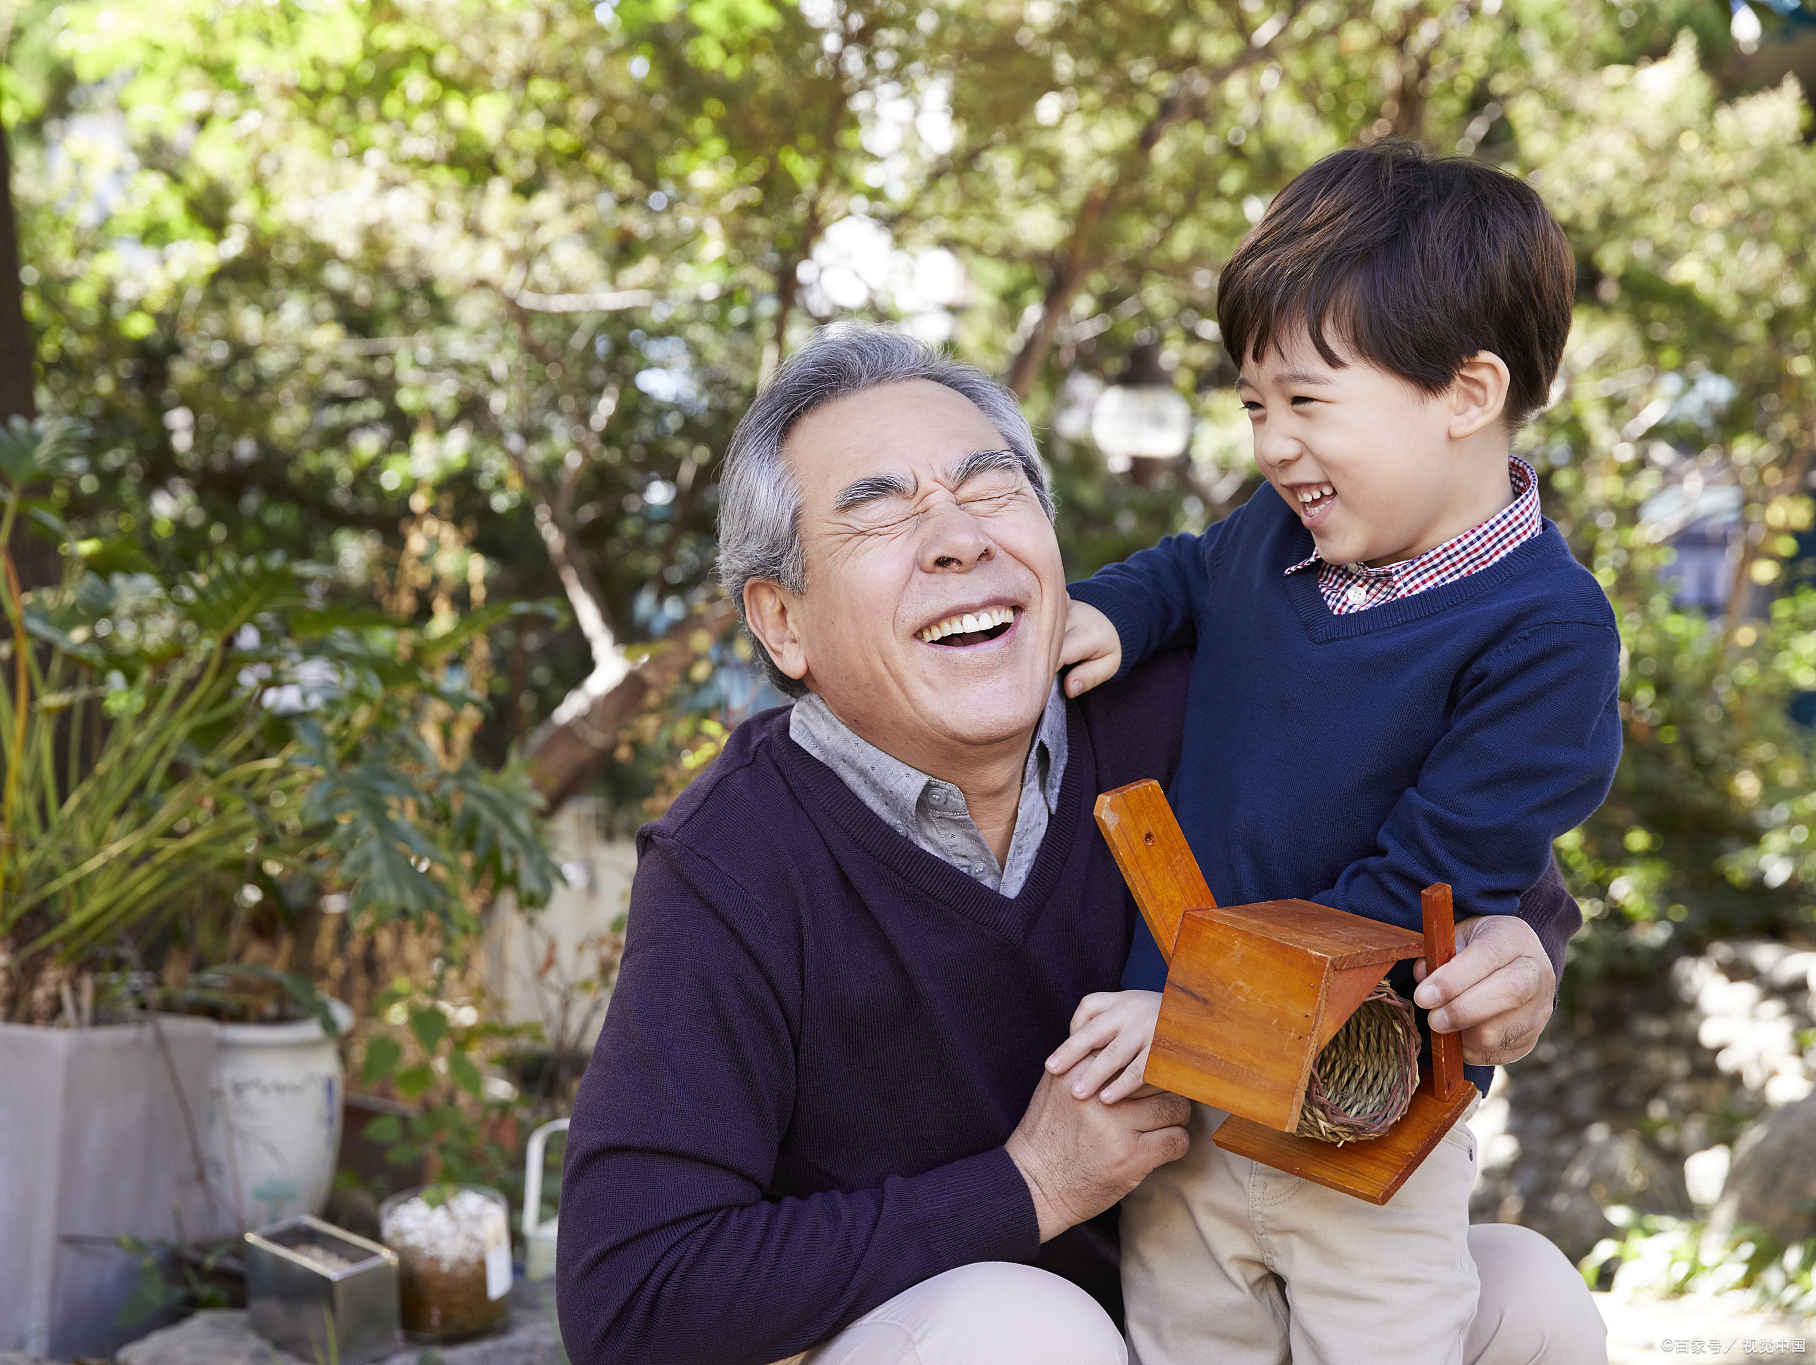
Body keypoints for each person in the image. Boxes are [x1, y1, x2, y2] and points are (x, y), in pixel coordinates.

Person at [556, 322, 1608, 1365]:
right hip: (963, 1340)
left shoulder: (1181, 707)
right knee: (1022, 1334)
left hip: (1218, 1291)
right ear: (781, 623)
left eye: (990, 487)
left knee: (1529, 1299)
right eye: (877, 512)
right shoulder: (736, 857)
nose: (958, 537)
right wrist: (1028, 1185)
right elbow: (631, 1296)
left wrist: (1512, 952)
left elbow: (1477, 858)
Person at [1055, 141, 1622, 1365]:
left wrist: (1186, 1016)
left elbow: (1410, 888)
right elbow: (1189, 569)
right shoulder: (1273, 534)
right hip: (1185, 1103)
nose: (1270, 444)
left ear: (1466, 394)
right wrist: (1111, 612)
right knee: (1185, 1337)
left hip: (1360, 1109)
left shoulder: (1542, 634)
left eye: (1307, 401)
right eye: (1253, 403)